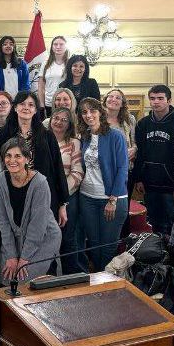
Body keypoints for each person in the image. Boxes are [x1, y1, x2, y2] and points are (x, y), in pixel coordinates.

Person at [0, 92, 69, 226]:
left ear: (35, 110)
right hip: (13, 193)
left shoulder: (47, 135)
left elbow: (58, 168)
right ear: (15, 107)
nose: (26, 107)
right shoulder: (3, 133)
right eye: (22, 104)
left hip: (43, 193)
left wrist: (62, 204)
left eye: (31, 105)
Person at [0, 138, 62, 281]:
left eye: (18, 156)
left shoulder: (40, 183)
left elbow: (38, 227)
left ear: (27, 158)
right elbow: (3, 222)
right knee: (6, 278)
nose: (12, 160)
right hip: (16, 239)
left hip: (44, 238)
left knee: (22, 279)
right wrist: (11, 255)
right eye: (8, 155)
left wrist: (24, 258)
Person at [76, 97, 129, 270]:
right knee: (93, 245)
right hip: (87, 198)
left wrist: (112, 200)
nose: (88, 115)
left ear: (101, 112)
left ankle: (106, 286)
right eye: (84, 112)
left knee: (107, 248)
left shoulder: (115, 136)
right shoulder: (84, 137)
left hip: (112, 199)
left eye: (92, 110)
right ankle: (97, 283)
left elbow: (122, 168)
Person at [133, 85, 174, 235]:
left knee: (172, 223)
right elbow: (139, 153)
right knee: (152, 222)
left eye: (160, 98)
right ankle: (156, 255)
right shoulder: (143, 123)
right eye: (152, 98)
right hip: (149, 182)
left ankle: (173, 256)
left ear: (169, 100)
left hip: (170, 184)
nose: (156, 102)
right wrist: (139, 178)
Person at [48, 108, 84, 274]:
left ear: (69, 124)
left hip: (68, 197)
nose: (58, 122)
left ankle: (71, 277)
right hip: (46, 198)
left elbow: (77, 172)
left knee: (68, 239)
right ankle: (49, 277)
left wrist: (60, 195)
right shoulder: (43, 139)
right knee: (48, 239)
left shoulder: (74, 142)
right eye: (56, 118)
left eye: (64, 120)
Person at [104, 89, 137, 175]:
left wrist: (134, 149)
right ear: (105, 100)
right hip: (105, 168)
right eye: (110, 96)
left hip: (126, 168)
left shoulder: (130, 119)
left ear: (122, 104)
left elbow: (134, 142)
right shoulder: (98, 119)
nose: (113, 99)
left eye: (118, 98)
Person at [37, 36, 69, 116]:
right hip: (49, 103)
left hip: (65, 103)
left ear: (66, 47)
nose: (58, 47)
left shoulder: (70, 63)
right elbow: (41, 87)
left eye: (61, 44)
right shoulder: (45, 63)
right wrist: (41, 105)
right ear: (52, 47)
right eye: (55, 44)